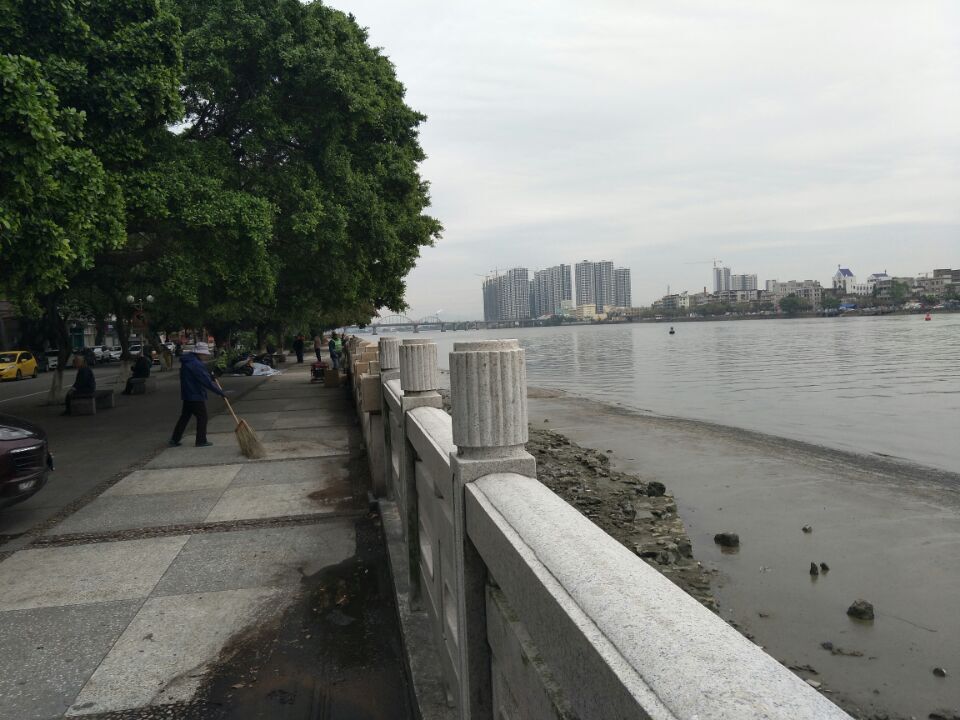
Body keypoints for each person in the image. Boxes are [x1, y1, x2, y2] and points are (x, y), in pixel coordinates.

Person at [168, 342, 225, 447]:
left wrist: (210, 377)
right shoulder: (196, 364)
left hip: (187, 393)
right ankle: (201, 440)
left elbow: (202, 376)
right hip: (195, 394)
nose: (206, 356)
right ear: (199, 353)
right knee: (202, 417)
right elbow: (205, 381)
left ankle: (175, 439)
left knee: (185, 417)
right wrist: (220, 392)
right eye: (205, 354)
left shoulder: (188, 361)